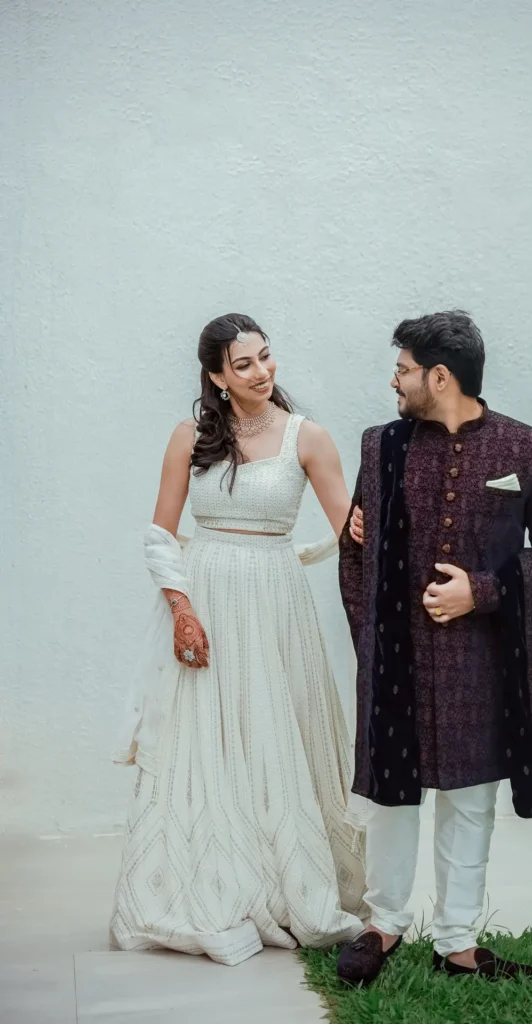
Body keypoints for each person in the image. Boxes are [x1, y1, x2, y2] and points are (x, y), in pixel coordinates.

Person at [111, 313, 366, 966]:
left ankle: (293, 886)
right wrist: (181, 610)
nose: (261, 372)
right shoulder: (189, 436)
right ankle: (216, 888)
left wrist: (395, 518)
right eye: (244, 364)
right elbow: (161, 532)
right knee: (206, 746)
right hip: (206, 599)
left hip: (276, 602)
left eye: (266, 357)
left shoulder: (308, 438)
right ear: (218, 377)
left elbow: (348, 529)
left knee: (274, 736)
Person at [336, 309, 532, 984]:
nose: (394, 380)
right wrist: (370, 642)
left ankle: (457, 942)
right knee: (391, 797)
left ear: (439, 377)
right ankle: (383, 925)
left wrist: (484, 591)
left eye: (403, 369)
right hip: (396, 661)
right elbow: (353, 554)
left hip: (479, 660)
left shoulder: (527, 450)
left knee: (470, 800)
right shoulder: (379, 446)